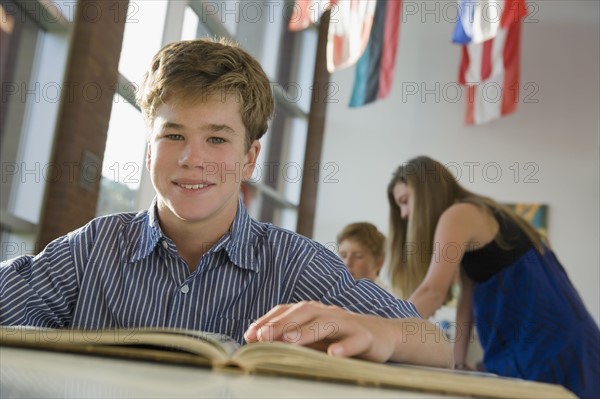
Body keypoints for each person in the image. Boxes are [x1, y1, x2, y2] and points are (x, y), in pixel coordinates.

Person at [0, 39, 452, 368]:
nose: (191, 159)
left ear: (249, 158)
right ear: (149, 149)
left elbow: (436, 345)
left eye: (216, 138)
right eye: (173, 135)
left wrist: (381, 332)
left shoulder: (296, 264)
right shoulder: (93, 248)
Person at [387, 155, 600, 398]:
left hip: (551, 347)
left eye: (405, 201)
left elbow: (432, 292)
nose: (404, 214)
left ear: (426, 193)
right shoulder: (480, 212)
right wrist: (457, 362)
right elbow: (466, 299)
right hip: (568, 339)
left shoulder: (458, 214)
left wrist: (383, 332)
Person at [336, 222, 392, 293]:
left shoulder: (391, 299)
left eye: (358, 256)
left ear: (378, 262)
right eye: (343, 256)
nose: (347, 263)